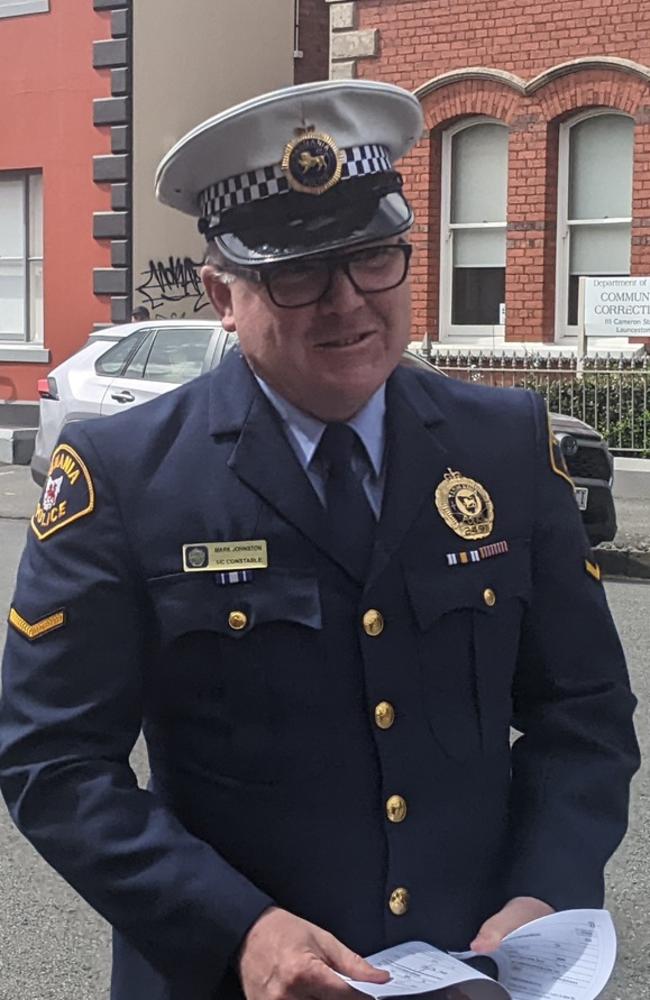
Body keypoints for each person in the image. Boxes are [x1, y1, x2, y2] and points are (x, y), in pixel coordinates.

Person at [0, 80, 639, 1000]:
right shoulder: (125, 477)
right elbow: (54, 765)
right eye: (298, 273)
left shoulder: (505, 446)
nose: (348, 303)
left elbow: (582, 713)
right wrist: (240, 931)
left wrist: (547, 890)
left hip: (471, 972)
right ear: (223, 292)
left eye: (374, 257)